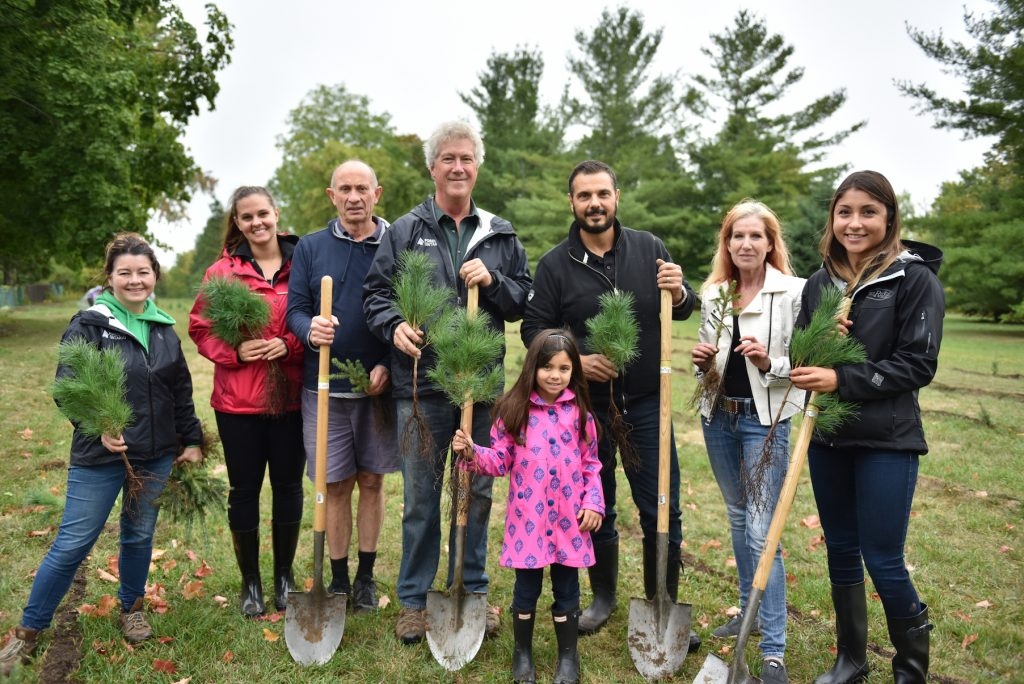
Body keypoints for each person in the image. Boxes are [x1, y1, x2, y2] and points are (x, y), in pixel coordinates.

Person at [0, 233, 203, 676]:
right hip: (99, 454)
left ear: (155, 276)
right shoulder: (89, 325)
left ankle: (131, 608)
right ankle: (28, 631)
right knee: (73, 542)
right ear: (109, 278)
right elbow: (67, 389)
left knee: (138, 535)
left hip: (154, 455)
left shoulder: (165, 329)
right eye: (125, 273)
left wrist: (191, 440)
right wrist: (97, 427)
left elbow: (180, 390)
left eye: (143, 272)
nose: (135, 280)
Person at [363, 120, 533, 645]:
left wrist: (495, 280)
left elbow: (523, 300)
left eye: (466, 158)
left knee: (476, 492)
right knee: (420, 497)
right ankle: (414, 600)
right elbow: (376, 294)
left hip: (480, 390)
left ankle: (472, 589)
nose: (457, 167)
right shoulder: (406, 231)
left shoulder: (500, 234)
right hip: (421, 390)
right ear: (433, 168)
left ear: (476, 167)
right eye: (448, 159)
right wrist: (394, 326)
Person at [521, 159, 700, 651]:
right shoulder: (556, 264)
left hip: (646, 404)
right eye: (584, 196)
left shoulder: (649, 249)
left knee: (661, 506)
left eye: (602, 194)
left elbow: (683, 306)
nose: (594, 204)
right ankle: (602, 599)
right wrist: (577, 360)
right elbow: (533, 329)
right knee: (594, 506)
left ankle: (661, 600)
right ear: (572, 202)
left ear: (616, 196)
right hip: (584, 413)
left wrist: (681, 289)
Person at [789, 171, 943, 684]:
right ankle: (851, 660)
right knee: (842, 550)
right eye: (845, 212)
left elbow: (917, 365)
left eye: (868, 212)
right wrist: (816, 341)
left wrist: (841, 376)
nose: (854, 223)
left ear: (889, 218)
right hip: (828, 437)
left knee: (882, 555)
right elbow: (800, 357)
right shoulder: (819, 283)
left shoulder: (913, 279)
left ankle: (910, 668)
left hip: (886, 439)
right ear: (832, 219)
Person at [690, 199, 806, 684]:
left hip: (767, 420)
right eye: (737, 236)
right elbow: (712, 358)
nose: (745, 244)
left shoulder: (794, 293)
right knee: (739, 518)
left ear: (771, 243)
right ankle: (749, 611)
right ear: (727, 243)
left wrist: (767, 363)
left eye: (755, 236)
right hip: (719, 416)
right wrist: (703, 361)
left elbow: (803, 367)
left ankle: (773, 649)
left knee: (764, 532)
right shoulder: (715, 292)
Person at [453, 329, 603, 684]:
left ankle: (568, 657)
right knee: (527, 588)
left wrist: (593, 501)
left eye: (564, 368)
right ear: (532, 367)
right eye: (547, 367)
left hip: (570, 520)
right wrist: (473, 453)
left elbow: (592, 464)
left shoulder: (581, 414)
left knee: (568, 586)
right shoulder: (512, 411)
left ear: (574, 371)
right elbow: (501, 461)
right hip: (529, 522)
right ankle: (522, 654)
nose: (555, 375)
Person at [285, 160, 398, 612]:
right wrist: (310, 328)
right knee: (334, 486)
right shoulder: (311, 248)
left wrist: (389, 364)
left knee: (371, 482)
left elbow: (409, 310)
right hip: (324, 389)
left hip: (377, 391)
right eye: (345, 189)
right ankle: (338, 580)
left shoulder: (397, 243)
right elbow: (294, 309)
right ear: (332, 196)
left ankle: (367, 577)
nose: (354, 197)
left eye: (362, 188)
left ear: (377, 193)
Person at [188, 186, 306, 617]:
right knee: (245, 491)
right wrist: (235, 351)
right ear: (236, 223)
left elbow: (316, 317)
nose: (257, 223)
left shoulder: (303, 263)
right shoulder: (222, 272)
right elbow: (200, 328)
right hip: (238, 404)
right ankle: (251, 582)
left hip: (290, 400)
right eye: (247, 217)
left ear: (276, 213)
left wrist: (289, 346)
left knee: (290, 487)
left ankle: (284, 577)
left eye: (263, 214)